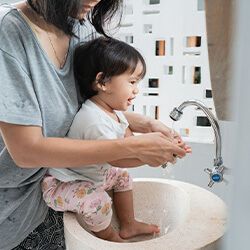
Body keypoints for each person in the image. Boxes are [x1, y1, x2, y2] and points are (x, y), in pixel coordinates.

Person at [0, 0, 187, 249]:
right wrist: (136, 149)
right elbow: (26, 151)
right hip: (16, 212)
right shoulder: (8, 33)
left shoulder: (80, 29)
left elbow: (85, 109)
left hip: (62, 199)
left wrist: (145, 124)